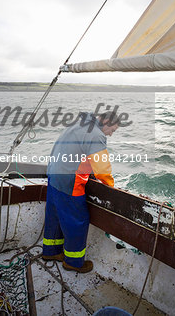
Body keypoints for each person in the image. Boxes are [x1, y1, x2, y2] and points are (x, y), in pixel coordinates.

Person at [42, 110, 120, 273]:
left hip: (54, 175)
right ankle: (73, 262)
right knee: (77, 221)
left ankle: (51, 252)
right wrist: (112, 189)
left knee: (54, 215)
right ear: (105, 122)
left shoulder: (78, 123)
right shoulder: (96, 135)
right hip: (69, 182)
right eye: (112, 130)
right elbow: (102, 170)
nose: (111, 135)